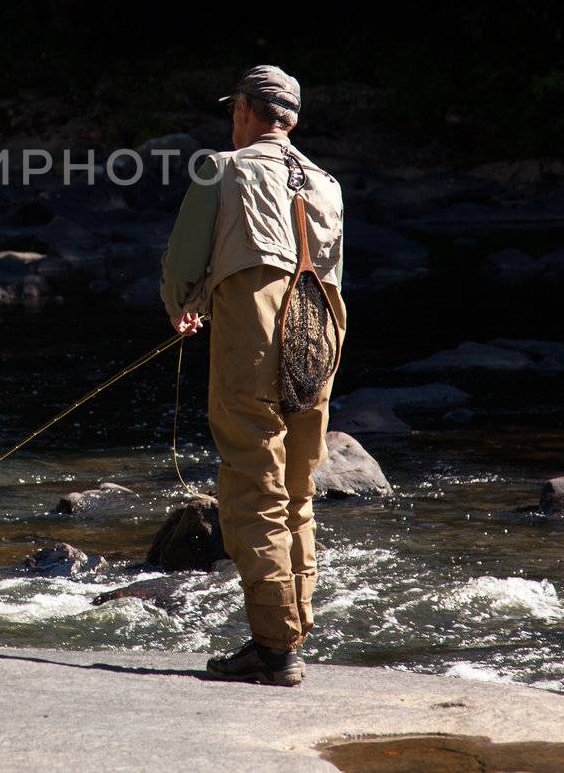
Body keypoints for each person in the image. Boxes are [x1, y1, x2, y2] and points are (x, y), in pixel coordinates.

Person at [159, 64, 346, 687]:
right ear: (290, 119)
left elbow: (184, 259)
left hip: (254, 340)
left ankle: (273, 647)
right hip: (319, 340)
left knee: (252, 487)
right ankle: (293, 632)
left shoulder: (224, 167)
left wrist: (184, 304)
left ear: (244, 111)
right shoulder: (328, 184)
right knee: (298, 489)